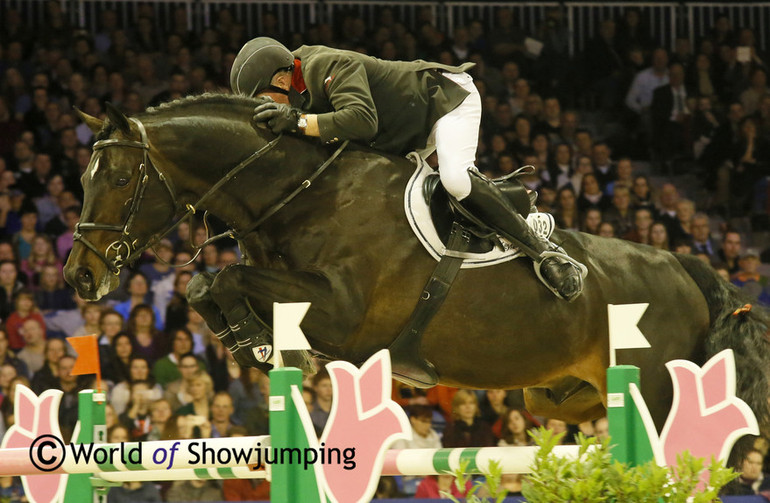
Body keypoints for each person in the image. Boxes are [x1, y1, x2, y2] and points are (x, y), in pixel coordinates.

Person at [231, 37, 585, 307]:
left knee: (456, 179)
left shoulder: (325, 64)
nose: (268, 108)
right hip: (403, 133)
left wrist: (297, 122)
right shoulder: (299, 95)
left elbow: (362, 121)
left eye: (264, 99)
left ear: (279, 78)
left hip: (444, 101)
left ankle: (543, 250)